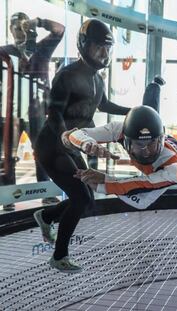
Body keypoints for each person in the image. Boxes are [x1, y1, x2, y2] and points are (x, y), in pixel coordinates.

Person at [32, 19, 131, 273]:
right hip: (52, 146)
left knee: (85, 198)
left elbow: (105, 106)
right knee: (80, 197)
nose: (104, 53)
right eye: (99, 47)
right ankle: (58, 256)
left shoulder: (97, 80)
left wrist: (136, 111)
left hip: (72, 146)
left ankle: (47, 217)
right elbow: (54, 114)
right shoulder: (68, 74)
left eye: (108, 48)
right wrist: (68, 137)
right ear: (84, 45)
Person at [0, 12, 65, 210]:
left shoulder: (42, 47)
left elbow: (60, 29)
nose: (20, 30)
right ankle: (8, 197)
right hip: (11, 112)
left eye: (23, 26)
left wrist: (40, 22)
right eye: (16, 26)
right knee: (7, 157)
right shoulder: (4, 51)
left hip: (37, 110)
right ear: (10, 30)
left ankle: (46, 193)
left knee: (43, 152)